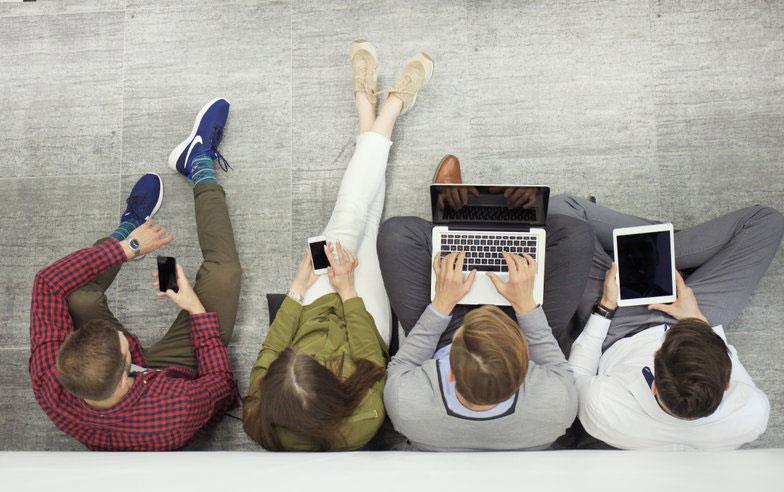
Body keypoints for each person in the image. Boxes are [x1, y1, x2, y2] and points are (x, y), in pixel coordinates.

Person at [242, 40, 434, 451]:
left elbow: (273, 346)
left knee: (348, 216)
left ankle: (387, 107)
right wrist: (348, 292)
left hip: (309, 307)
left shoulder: (259, 408)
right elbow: (369, 359)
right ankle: (376, 108)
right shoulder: (362, 420)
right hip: (365, 326)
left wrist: (297, 287)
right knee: (368, 228)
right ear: (334, 393)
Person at [29, 98, 242, 451]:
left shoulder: (50, 381)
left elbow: (48, 282)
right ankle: (199, 164)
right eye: (125, 342)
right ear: (128, 361)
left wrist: (127, 248)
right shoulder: (175, 410)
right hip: (177, 375)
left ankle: (128, 229)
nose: (129, 337)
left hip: (125, 378)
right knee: (224, 274)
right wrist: (194, 308)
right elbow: (219, 384)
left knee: (77, 294)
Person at [376, 158, 594, 451]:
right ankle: (502, 219)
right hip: (521, 326)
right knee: (577, 235)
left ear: (450, 372)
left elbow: (402, 364)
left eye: (463, 338)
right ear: (523, 372)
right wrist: (526, 306)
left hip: (442, 325)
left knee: (395, 235)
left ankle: (458, 217)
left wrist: (441, 306)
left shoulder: (406, 408)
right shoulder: (557, 408)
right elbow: (555, 365)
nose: (479, 314)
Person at [555, 195, 784, 450]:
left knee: (559, 212)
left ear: (653, 384)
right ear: (727, 383)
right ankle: (664, 249)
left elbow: (578, 374)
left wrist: (605, 307)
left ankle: (654, 250)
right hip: (701, 315)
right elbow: (719, 348)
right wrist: (695, 318)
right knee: (766, 220)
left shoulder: (605, 411)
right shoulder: (752, 415)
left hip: (620, 324)